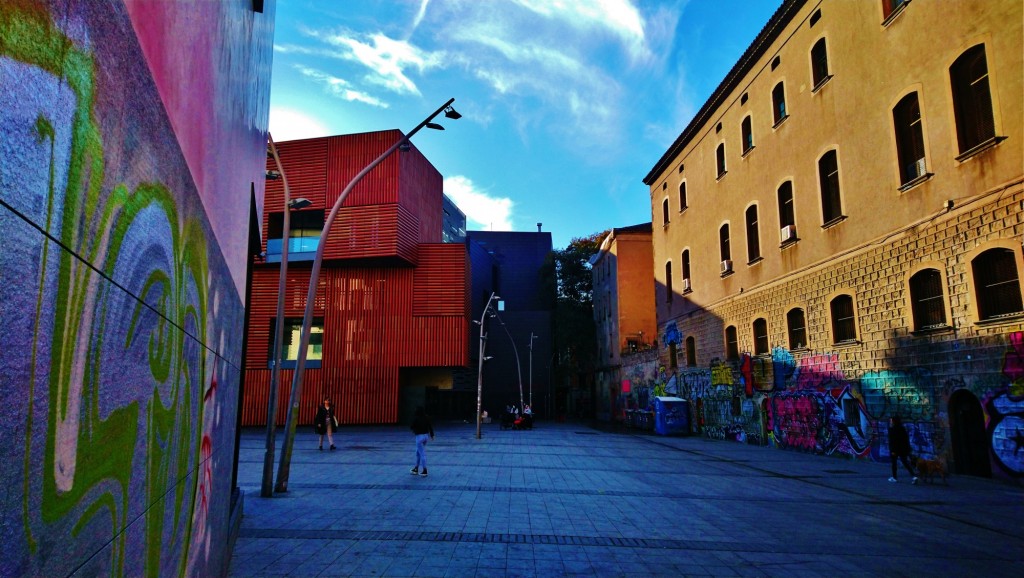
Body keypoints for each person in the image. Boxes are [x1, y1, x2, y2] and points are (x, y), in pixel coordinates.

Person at [887, 415, 917, 484]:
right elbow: (906, 440)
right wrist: (907, 449)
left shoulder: (892, 430)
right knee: (905, 462)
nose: (890, 422)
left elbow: (892, 441)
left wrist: (892, 450)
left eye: (891, 421)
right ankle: (914, 476)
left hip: (895, 449)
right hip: (903, 449)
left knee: (894, 463)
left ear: (894, 422)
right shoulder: (902, 429)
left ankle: (894, 477)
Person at [409, 407, 434, 477]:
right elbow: (430, 426)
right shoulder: (426, 417)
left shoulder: (416, 418)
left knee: (422, 453)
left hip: (419, 437)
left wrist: (415, 430)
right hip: (426, 436)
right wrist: (432, 435)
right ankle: (416, 468)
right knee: (418, 452)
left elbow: (411, 426)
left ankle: (424, 470)